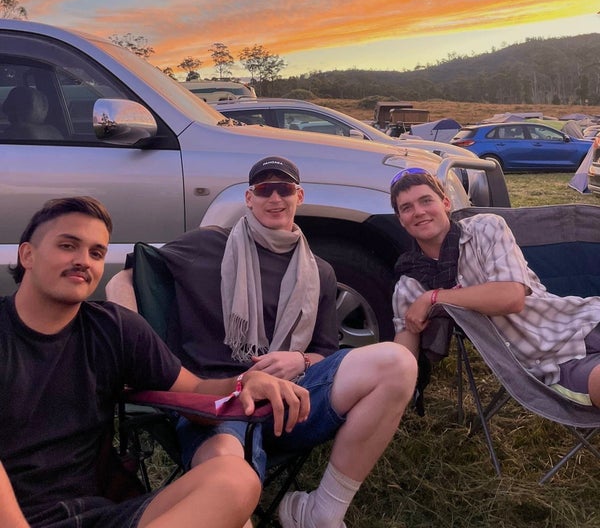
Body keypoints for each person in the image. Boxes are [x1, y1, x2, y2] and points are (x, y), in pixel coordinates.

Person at [1, 196, 310, 528]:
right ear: (27, 254)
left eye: (96, 253)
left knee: (236, 479)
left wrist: (244, 382)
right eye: (67, 246)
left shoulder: (113, 328)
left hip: (100, 514)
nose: (83, 261)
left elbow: (194, 390)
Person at [156, 156, 417, 528]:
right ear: (249, 198)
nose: (275, 198)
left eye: (284, 189)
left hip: (292, 398)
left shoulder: (319, 271)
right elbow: (129, 276)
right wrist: (142, 359)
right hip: (218, 401)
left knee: (398, 361)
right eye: (265, 189)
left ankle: (321, 513)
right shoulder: (207, 243)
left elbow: (325, 351)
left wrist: (301, 361)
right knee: (226, 480)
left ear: (299, 196)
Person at [390, 168, 600, 407]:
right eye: (407, 207)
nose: (419, 212)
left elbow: (511, 297)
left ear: (446, 203)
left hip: (582, 319)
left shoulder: (485, 228)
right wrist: (386, 387)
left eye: (426, 200)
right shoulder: (410, 285)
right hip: (554, 363)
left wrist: (434, 297)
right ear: (401, 220)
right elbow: (402, 358)